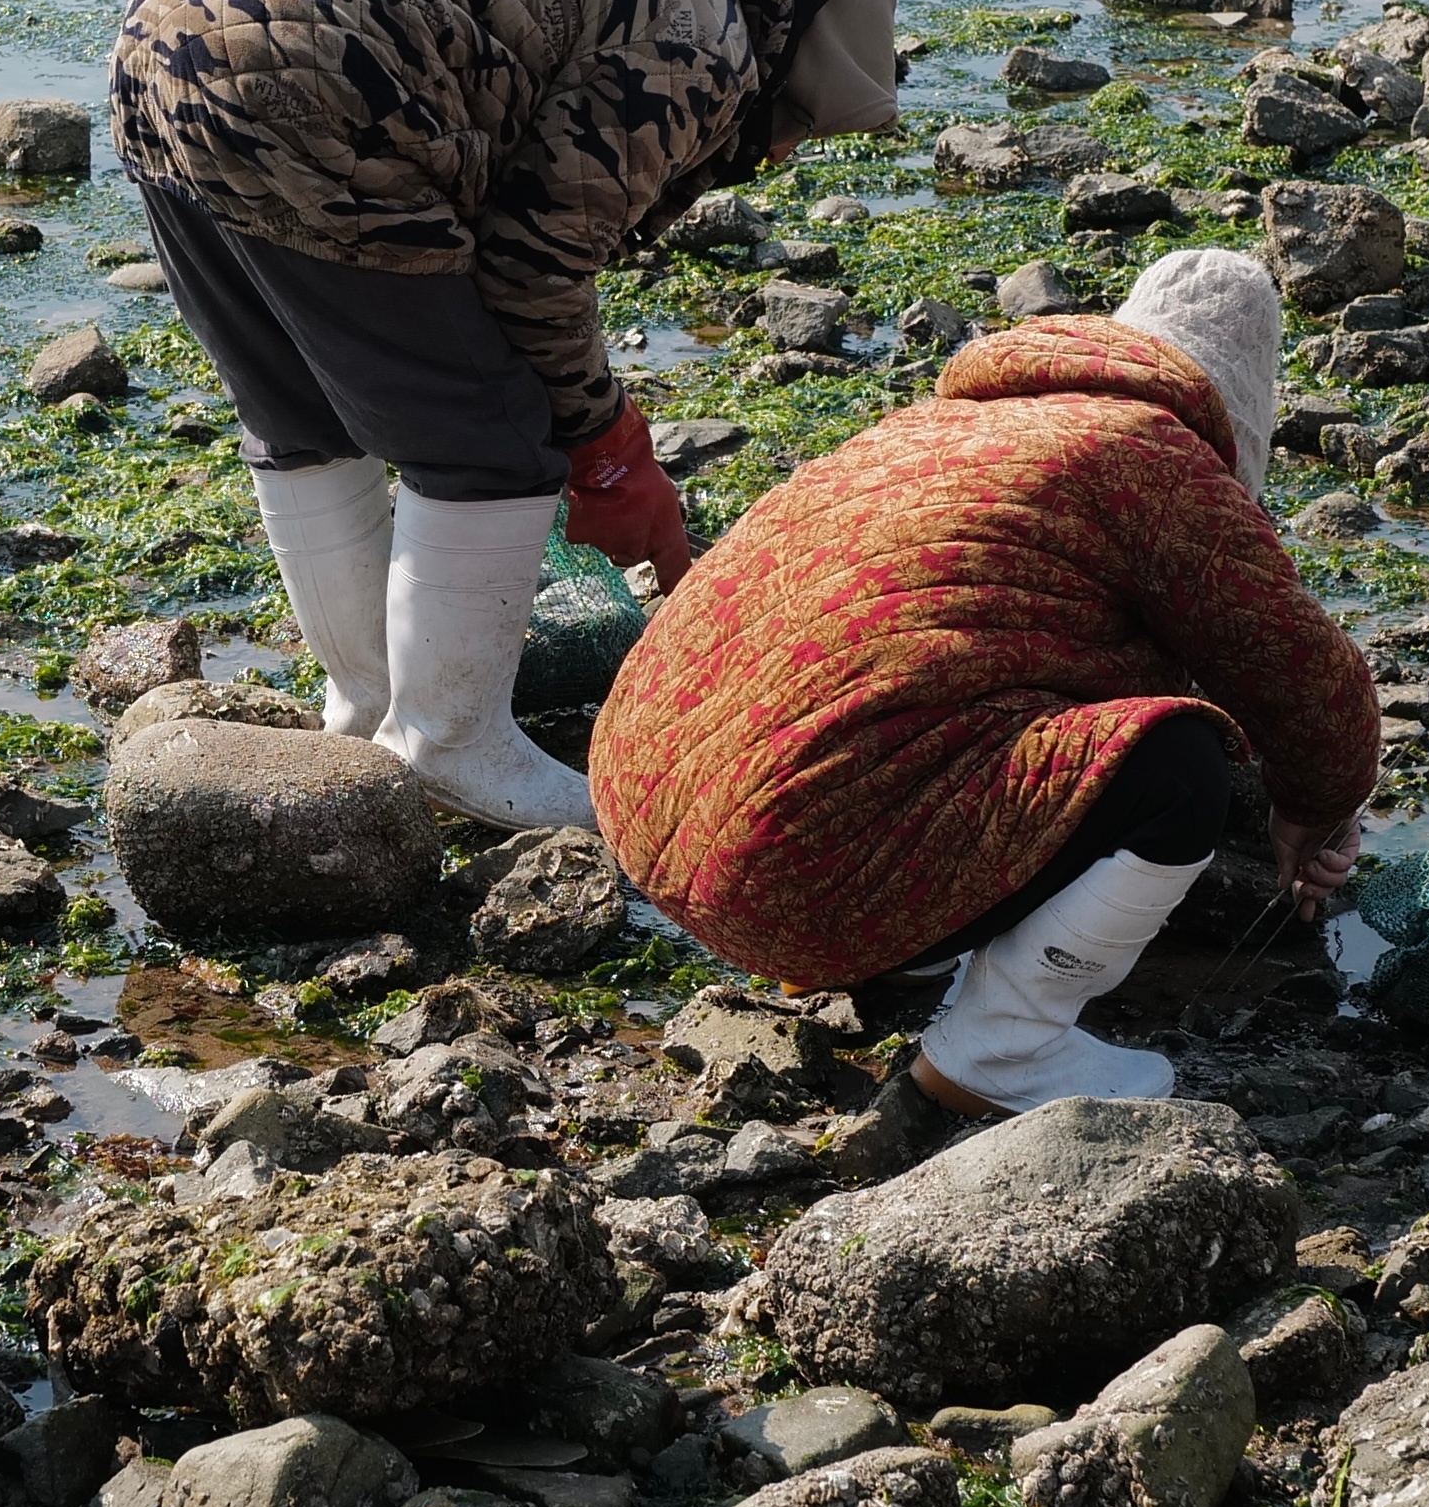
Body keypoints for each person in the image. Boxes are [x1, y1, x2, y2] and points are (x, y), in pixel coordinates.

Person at [109, 0, 897, 830]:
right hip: (319, 56)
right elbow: (532, 265)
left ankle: (367, 703)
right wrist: (603, 449)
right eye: (795, 126)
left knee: (300, 405)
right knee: (490, 438)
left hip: (164, 27)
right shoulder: (704, 30)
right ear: (813, 48)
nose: (779, 149)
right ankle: (450, 742)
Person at [589, 249, 1377, 1119]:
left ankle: (909, 947)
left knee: (938, 688)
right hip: (786, 877)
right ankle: (1003, 1048)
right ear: (1230, 412)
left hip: (647, 810)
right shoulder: (1150, 453)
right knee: (1176, 760)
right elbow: (1299, 673)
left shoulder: (924, 427)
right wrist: (1314, 806)